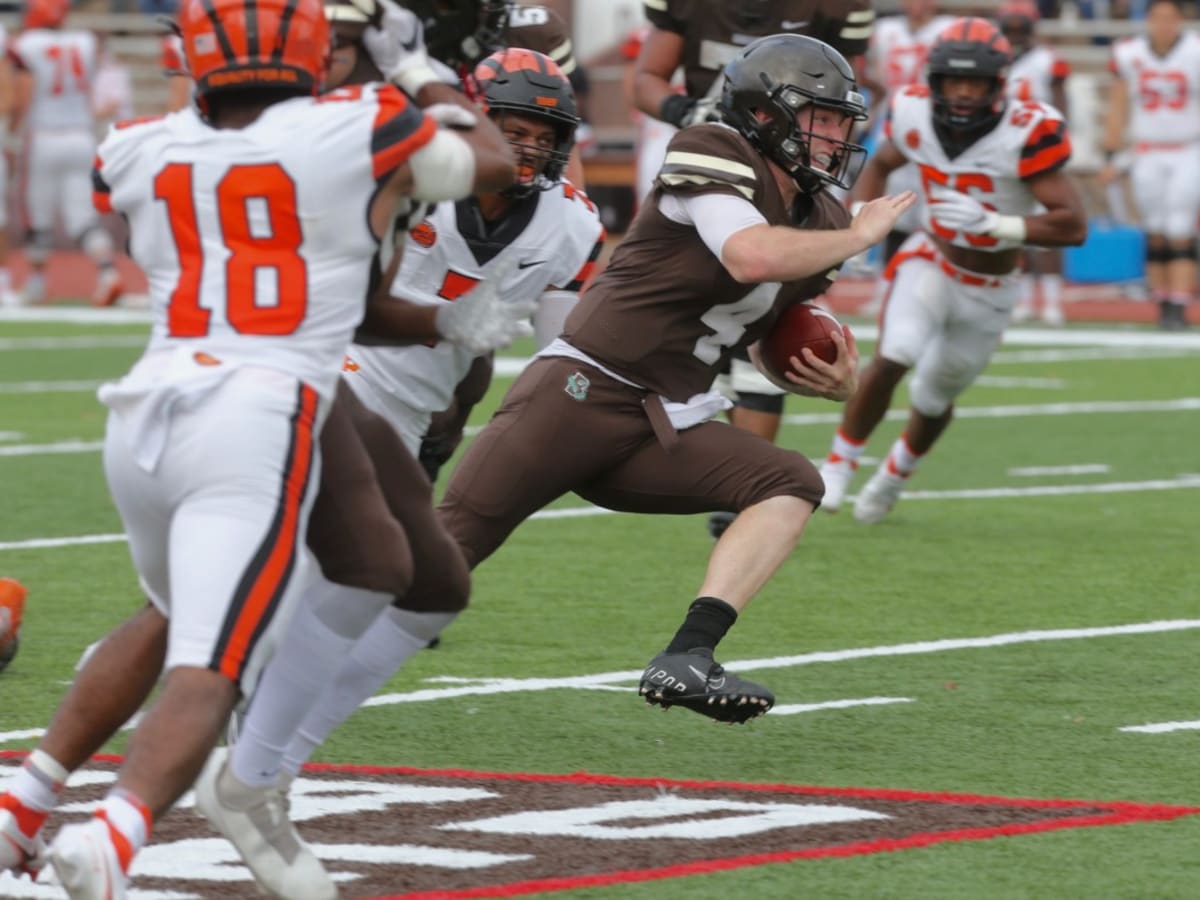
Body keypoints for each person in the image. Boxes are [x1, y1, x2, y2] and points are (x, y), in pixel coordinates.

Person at [0, 0, 514, 896]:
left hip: (149, 409)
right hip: (261, 413)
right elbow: (490, 162)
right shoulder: (356, 126)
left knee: (192, 612)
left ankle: (24, 810)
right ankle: (117, 838)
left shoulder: (139, 147)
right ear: (320, 54)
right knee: (216, 656)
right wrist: (416, 66)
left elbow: (259, 240)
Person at [399, 34, 912, 727]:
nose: (836, 135)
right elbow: (748, 255)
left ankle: (689, 656)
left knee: (791, 482)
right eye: (821, 117)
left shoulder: (819, 218)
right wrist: (858, 235)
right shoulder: (715, 148)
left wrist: (826, 377)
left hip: (664, 419)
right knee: (431, 571)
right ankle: (258, 654)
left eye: (840, 120)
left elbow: (752, 325)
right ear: (766, 115)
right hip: (580, 392)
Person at [221, 46, 605, 798]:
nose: (527, 145)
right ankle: (251, 735)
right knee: (343, 565)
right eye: (512, 127)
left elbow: (559, 349)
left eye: (542, 132)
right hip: (336, 376)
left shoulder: (572, 226)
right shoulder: (408, 177)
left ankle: (255, 729)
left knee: (404, 582)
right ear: (472, 121)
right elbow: (342, 294)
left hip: (415, 409)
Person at [818, 17, 1087, 524]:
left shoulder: (1028, 130)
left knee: (934, 395)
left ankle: (893, 475)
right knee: (895, 353)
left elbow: (1073, 225)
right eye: (953, 81)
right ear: (935, 81)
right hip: (932, 260)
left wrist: (999, 223)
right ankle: (839, 463)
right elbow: (881, 161)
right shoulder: (912, 110)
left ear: (998, 83)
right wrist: (863, 221)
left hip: (992, 286)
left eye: (976, 82)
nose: (963, 93)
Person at [630, 0, 875, 538]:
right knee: (691, 293)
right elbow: (645, 79)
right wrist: (681, 110)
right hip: (712, 145)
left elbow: (854, 90)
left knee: (773, 312)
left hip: (793, 154)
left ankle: (746, 485)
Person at [9, 0, 124, 307]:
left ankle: (35, 284)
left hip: (43, 136)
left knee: (38, 213)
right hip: (81, 135)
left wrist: (11, 131)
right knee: (81, 217)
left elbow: (23, 91)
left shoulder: (27, 44)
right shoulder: (85, 41)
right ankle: (107, 272)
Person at [1100, 0, 1199, 332]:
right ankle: (1162, 300)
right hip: (1146, 150)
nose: (1163, 24)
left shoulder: (1195, 52)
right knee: (1155, 229)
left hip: (1188, 148)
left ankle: (1180, 302)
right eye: (1157, 17)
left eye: (1170, 17)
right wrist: (1111, 154)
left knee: (1180, 226)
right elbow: (1118, 104)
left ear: (1181, 20)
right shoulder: (1129, 53)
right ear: (1148, 19)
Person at [999, 0, 1071, 326]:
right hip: (1003, 154)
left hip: (1040, 152)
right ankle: (1025, 298)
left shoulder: (1046, 60)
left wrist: (1057, 143)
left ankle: (1053, 300)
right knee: (1017, 230)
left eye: (1019, 27)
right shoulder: (993, 61)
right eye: (1009, 27)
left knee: (1049, 226)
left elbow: (1060, 104)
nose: (1014, 34)